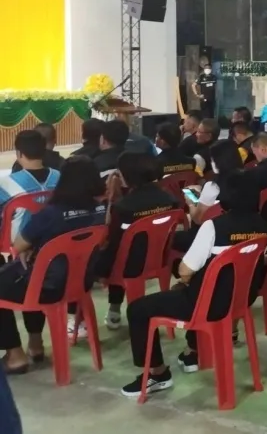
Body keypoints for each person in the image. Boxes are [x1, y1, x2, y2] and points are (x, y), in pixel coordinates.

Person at [120, 173, 267, 394]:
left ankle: (157, 374)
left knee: (138, 309)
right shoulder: (263, 225)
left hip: (208, 305)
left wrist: (186, 281)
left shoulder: (213, 226)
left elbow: (185, 270)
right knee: (194, 288)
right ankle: (193, 352)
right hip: (241, 298)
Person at [0, 156, 105, 373]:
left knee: (20, 276)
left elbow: (18, 245)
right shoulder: (102, 210)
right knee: (28, 273)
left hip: (48, 285)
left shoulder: (51, 213)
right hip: (80, 283)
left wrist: (30, 248)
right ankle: (35, 344)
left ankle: (15, 354)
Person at [97, 152, 181, 330]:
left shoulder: (123, 207)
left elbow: (113, 240)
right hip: (159, 258)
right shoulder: (170, 199)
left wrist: (111, 201)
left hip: (129, 264)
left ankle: (114, 308)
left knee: (106, 252)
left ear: (126, 176)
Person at [0, 131, 62, 240]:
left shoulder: (7, 183)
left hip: (17, 243)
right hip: (51, 240)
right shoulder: (58, 176)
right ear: (44, 151)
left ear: (19, 153)